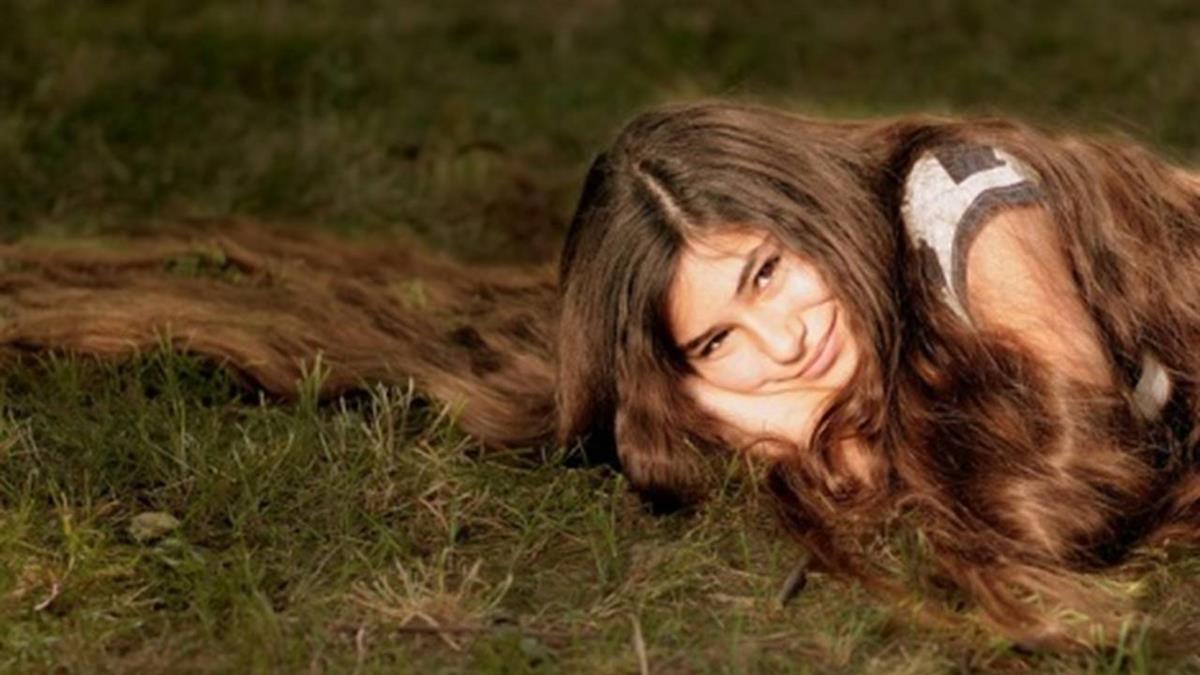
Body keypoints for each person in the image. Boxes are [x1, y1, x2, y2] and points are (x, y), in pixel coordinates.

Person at [2, 100, 1199, 648]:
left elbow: (1074, 488)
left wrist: (854, 444)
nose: (786, 343)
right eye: (718, 343)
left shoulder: (962, 205)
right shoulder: (762, 387)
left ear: (817, 216)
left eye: (772, 270)